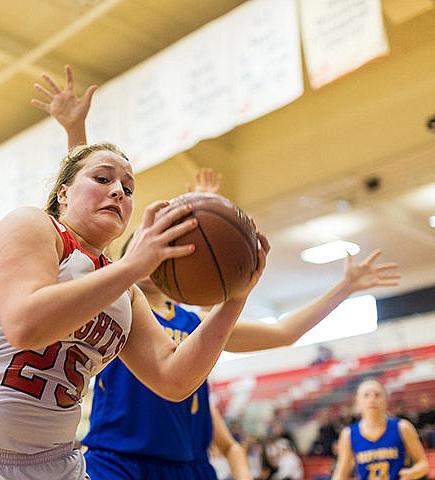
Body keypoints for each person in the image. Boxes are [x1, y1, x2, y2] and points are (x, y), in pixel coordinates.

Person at [32, 64, 403, 480]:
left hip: (189, 465)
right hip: (117, 462)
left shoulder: (198, 323)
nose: (162, 251)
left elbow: (285, 333)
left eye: (172, 244)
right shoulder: (113, 301)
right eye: (153, 242)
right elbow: (84, 212)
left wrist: (345, 286)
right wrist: (75, 132)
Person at [0, 83, 271, 479]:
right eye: (103, 180)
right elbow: (26, 326)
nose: (118, 192)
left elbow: (174, 378)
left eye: (127, 189)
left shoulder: (123, 290)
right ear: (63, 192)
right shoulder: (31, 226)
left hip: (55, 463)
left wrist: (234, 299)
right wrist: (132, 266)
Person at [331, 379, 429, 480]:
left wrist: (412, 472)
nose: (372, 399)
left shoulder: (402, 427)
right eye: (366, 395)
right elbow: (340, 474)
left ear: (386, 400)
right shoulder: (348, 434)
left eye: (377, 395)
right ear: (358, 401)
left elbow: (424, 464)